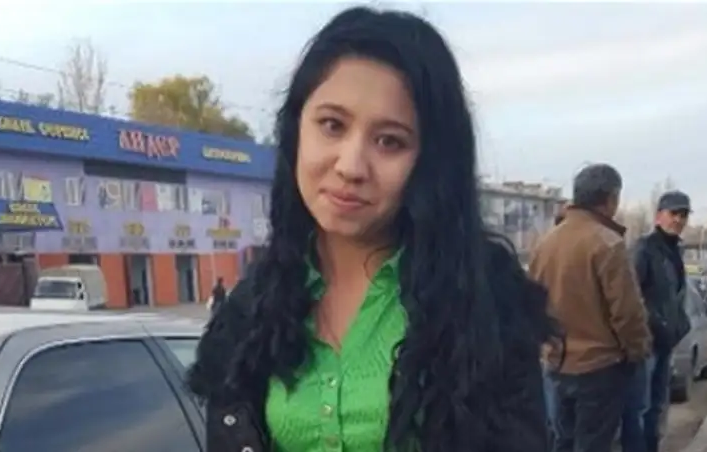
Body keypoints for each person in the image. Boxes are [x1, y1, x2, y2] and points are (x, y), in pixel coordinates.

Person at [186, 6, 556, 452]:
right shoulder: (254, 309)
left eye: (389, 141)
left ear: (430, 161)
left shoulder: (484, 306)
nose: (351, 166)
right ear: (296, 130)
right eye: (332, 125)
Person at [529, 164, 651, 452]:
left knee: (562, 442)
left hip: (556, 364)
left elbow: (531, 305)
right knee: (592, 444)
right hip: (599, 367)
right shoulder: (607, 244)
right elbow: (627, 313)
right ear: (610, 199)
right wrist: (637, 351)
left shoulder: (545, 244)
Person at [630, 190, 693, 452]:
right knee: (640, 408)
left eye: (683, 214)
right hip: (646, 342)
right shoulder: (644, 249)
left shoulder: (674, 251)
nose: (678, 219)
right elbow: (631, 295)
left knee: (657, 407)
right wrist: (654, 325)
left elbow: (673, 296)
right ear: (659, 216)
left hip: (665, 342)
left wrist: (678, 326)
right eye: (673, 213)